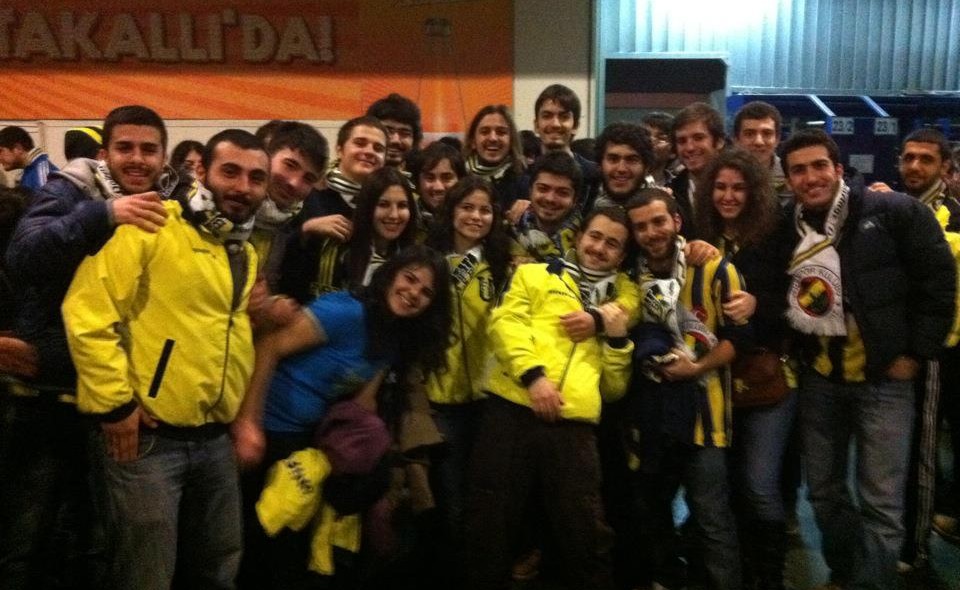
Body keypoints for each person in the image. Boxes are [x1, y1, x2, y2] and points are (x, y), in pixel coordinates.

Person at [62, 128, 270, 589]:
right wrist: (115, 405)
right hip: (149, 443)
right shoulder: (151, 225)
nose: (243, 186)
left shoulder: (243, 250)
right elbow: (86, 313)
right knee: (145, 576)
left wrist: (239, 417)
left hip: (215, 439)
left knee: (218, 569)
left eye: (256, 178)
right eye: (231, 172)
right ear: (202, 171)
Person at [1, 105, 172, 589]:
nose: (136, 159)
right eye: (125, 148)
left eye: (148, 149)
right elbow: (24, 255)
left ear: (163, 157)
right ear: (104, 153)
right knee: (27, 533)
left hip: (120, 397)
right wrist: (103, 215)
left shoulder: (173, 203)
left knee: (101, 538)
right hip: (51, 391)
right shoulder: (71, 190)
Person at [781, 128, 955, 590]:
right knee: (823, 492)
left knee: (881, 502)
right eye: (799, 170)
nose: (811, 177)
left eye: (820, 166)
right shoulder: (787, 225)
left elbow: (939, 285)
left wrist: (916, 353)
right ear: (789, 179)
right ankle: (845, 574)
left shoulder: (894, 212)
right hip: (821, 378)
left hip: (884, 381)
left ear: (839, 169)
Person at [232, 245, 452, 589]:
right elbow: (269, 347)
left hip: (308, 439)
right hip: (270, 429)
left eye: (426, 292)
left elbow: (363, 403)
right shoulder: (347, 312)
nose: (413, 293)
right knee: (260, 546)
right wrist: (249, 424)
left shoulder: (394, 334)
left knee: (295, 549)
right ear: (390, 275)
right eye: (409, 279)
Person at [466, 207, 636, 590]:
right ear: (579, 237)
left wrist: (617, 341)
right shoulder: (534, 274)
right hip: (512, 407)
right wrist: (534, 377)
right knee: (489, 522)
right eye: (595, 236)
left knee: (585, 532)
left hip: (574, 425)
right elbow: (504, 324)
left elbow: (613, 389)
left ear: (622, 255)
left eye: (612, 244)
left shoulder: (621, 305)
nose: (599, 248)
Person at [623, 188, 748, 590]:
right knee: (652, 509)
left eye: (659, 221)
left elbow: (738, 338)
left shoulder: (714, 268)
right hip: (653, 417)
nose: (651, 232)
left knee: (711, 515)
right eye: (641, 227)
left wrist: (696, 368)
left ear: (677, 221)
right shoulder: (631, 277)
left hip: (704, 416)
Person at [695, 148, 796, 589]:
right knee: (725, 488)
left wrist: (760, 304)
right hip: (712, 378)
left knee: (758, 484)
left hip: (764, 376)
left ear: (754, 191)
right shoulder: (700, 234)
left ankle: (769, 577)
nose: (728, 196)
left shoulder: (776, 234)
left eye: (738, 188)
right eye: (720, 187)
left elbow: (803, 299)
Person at [868, 127, 960, 578]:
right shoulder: (891, 208)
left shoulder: (953, 217)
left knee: (921, 453)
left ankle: (915, 550)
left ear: (945, 167)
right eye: (908, 158)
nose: (915, 166)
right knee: (893, 455)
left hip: (936, 350)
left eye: (926, 159)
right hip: (893, 347)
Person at [423, 176, 512, 587]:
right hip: (441, 396)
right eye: (467, 208)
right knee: (450, 493)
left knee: (489, 492)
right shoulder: (429, 260)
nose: (476, 217)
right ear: (451, 211)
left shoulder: (504, 262)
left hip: (491, 396)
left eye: (485, 210)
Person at [279, 116, 387, 302]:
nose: (369, 151)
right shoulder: (308, 191)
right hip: (298, 309)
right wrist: (306, 229)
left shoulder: (386, 206)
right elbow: (273, 251)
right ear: (339, 149)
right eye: (360, 143)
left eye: (378, 148)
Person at [249, 121, 328, 292]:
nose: (294, 183)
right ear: (266, 157)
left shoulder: (297, 230)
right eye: (290, 165)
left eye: (308, 178)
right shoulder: (226, 207)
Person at [530, 84, 600, 212]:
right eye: (547, 116)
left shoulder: (594, 176)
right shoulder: (522, 174)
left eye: (564, 117)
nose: (555, 124)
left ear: (575, 126)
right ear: (536, 125)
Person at [511, 151, 583, 265]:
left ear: (575, 200)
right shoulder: (507, 234)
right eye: (543, 189)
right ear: (530, 191)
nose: (550, 199)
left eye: (562, 193)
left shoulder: (586, 244)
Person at [669, 102, 726, 239]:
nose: (689, 147)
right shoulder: (671, 193)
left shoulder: (742, 188)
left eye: (698, 138)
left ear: (719, 142)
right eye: (682, 141)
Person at [463, 104, 528, 218]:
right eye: (485, 132)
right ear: (473, 141)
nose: (493, 138)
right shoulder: (459, 179)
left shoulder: (525, 185)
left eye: (501, 132)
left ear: (511, 140)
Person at [733, 101, 790, 203]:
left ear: (777, 139)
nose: (758, 142)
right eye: (749, 134)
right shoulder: (721, 177)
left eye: (767, 134)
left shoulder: (791, 175)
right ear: (736, 140)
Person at [593, 122, 656, 209]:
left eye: (632, 160)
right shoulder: (585, 203)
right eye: (613, 159)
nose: (621, 169)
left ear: (647, 167)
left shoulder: (664, 209)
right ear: (599, 165)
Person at [409, 141, 465, 231]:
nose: (438, 187)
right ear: (417, 182)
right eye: (430, 178)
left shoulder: (470, 223)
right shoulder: (404, 221)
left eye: (447, 178)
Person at [366, 93, 422, 170]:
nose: (395, 140)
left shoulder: (423, 175)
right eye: (388, 131)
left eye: (404, 133)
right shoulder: (356, 173)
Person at [0, 125, 58, 193]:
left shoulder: (41, 172)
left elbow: (47, 199)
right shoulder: (31, 170)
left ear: (18, 148)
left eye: (0, 151)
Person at [641, 112, 678, 186]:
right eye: (645, 135)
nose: (651, 140)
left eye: (661, 138)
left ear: (673, 152)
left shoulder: (680, 186)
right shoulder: (624, 181)